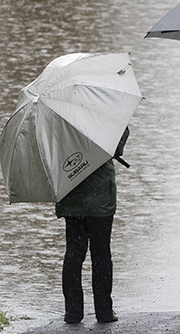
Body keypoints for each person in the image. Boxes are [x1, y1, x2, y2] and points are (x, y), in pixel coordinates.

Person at [56, 127, 129, 324]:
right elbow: (117, 147)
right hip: (100, 200)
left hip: (71, 194)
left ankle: (73, 313)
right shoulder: (102, 115)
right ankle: (104, 311)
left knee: (73, 253)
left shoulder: (57, 121)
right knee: (101, 253)